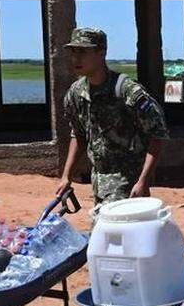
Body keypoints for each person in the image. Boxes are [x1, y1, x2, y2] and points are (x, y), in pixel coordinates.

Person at [56, 27, 168, 204]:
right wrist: (66, 176)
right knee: (101, 231)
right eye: (73, 52)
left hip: (128, 184)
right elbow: (78, 134)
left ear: (101, 53)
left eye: (83, 52)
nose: (76, 58)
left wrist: (143, 181)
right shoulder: (76, 93)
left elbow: (158, 134)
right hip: (98, 181)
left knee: (118, 230)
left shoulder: (127, 91)